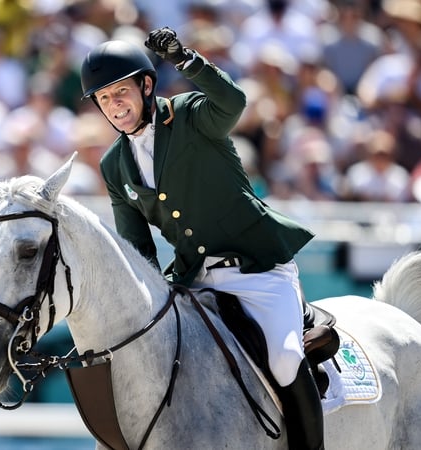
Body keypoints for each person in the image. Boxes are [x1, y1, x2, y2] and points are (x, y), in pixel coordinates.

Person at [80, 28, 323, 449]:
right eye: (104, 98)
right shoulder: (114, 164)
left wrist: (186, 59)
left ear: (146, 85)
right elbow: (137, 247)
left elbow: (234, 102)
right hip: (196, 280)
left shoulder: (191, 115)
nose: (114, 104)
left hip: (258, 269)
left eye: (120, 91)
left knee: (284, 361)